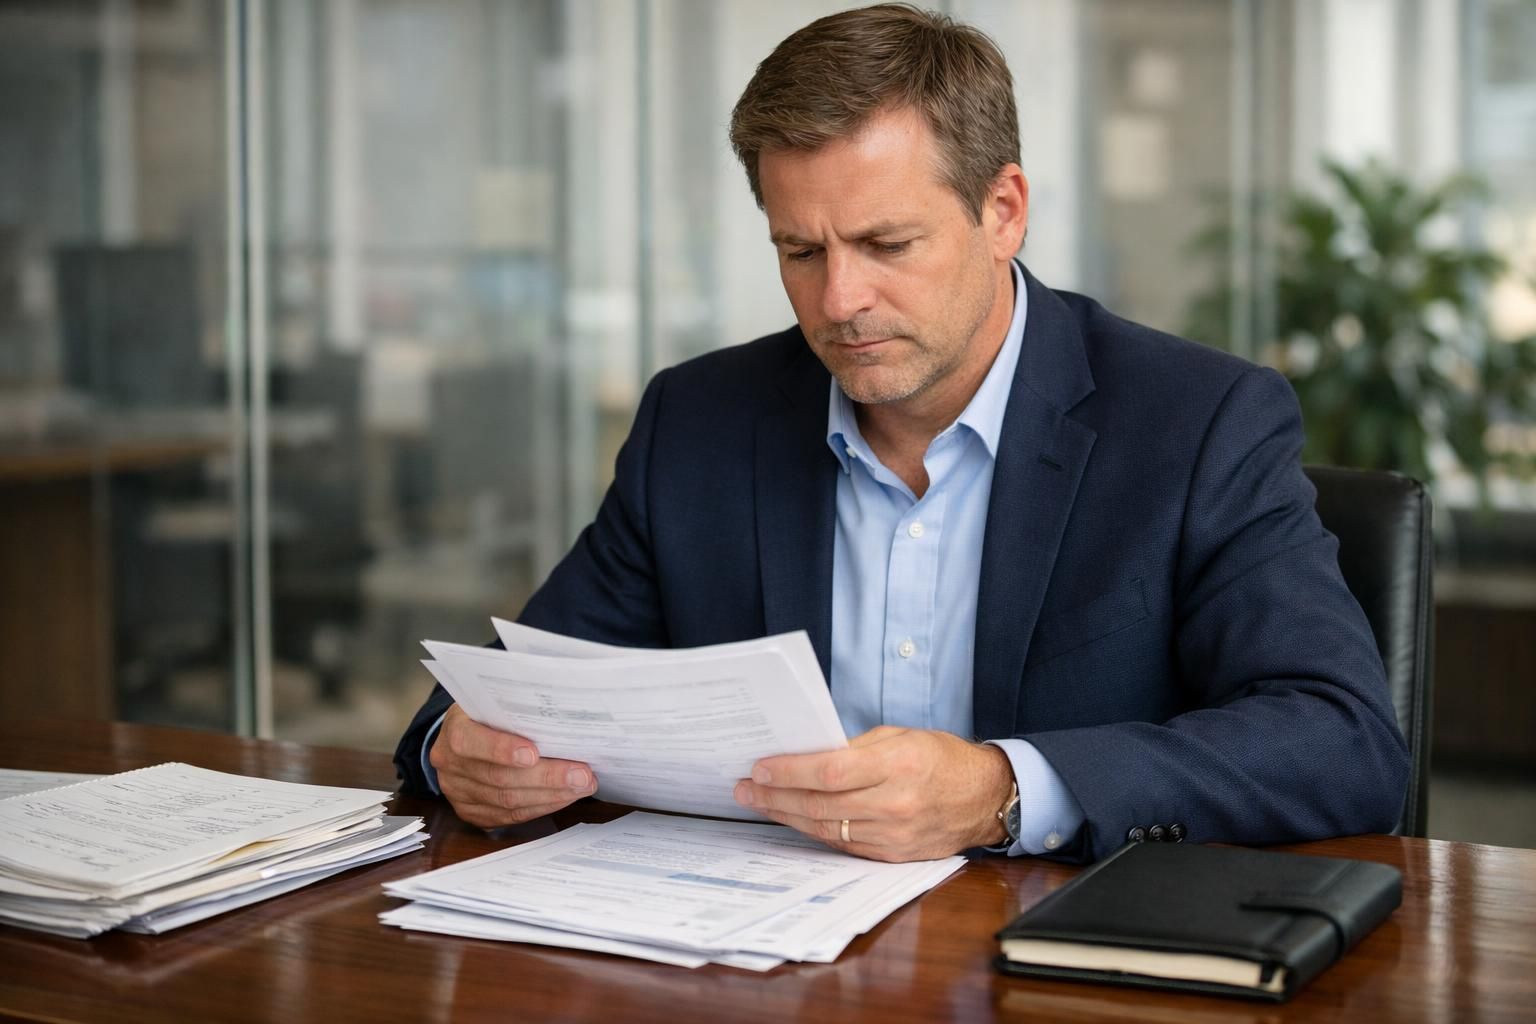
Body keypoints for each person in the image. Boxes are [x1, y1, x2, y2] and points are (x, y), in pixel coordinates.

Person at [394, 3, 1408, 864]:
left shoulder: (1196, 423)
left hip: (1060, 967)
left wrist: (1004, 788)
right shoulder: (699, 421)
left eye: (887, 244)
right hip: (748, 951)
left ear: (1003, 209)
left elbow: (1342, 739)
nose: (840, 300)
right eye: (800, 251)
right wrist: (455, 747)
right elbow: (525, 678)